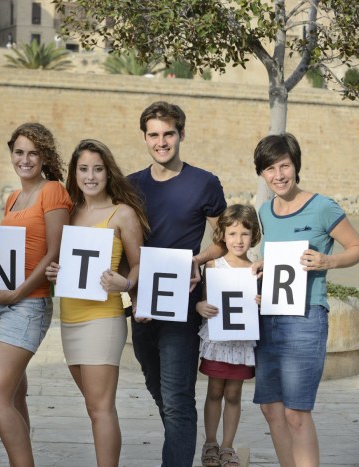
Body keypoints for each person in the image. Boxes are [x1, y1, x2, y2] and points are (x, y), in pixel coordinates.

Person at [252, 133, 359, 467]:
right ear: (262, 173)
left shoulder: (323, 207)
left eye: (284, 165)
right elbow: (280, 262)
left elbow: (357, 247)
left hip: (306, 318)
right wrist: (262, 269)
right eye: (270, 168)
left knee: (296, 413)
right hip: (268, 316)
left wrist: (327, 261)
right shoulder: (265, 211)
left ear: (295, 166)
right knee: (271, 409)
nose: (279, 175)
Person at [126, 101, 227, 466]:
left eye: (168, 133)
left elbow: (225, 238)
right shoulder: (131, 185)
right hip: (140, 306)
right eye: (154, 134)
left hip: (183, 307)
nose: (161, 141)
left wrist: (198, 260)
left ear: (181, 134)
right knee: (160, 392)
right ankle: (182, 446)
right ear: (145, 138)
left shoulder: (204, 183)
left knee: (178, 398)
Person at [45, 139, 149, 467]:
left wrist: (127, 283)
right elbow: (65, 264)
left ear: (108, 172)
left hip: (103, 319)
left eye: (98, 169)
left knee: (101, 407)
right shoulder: (69, 214)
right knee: (93, 407)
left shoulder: (123, 213)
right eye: (84, 169)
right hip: (70, 318)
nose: (91, 176)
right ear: (74, 173)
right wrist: (54, 270)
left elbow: (139, 264)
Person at [0, 122, 72, 466]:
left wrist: (17, 293)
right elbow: (7, 251)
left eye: (33, 152)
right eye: (19, 152)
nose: (25, 159)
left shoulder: (53, 191)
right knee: (15, 394)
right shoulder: (13, 197)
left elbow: (54, 252)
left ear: (44, 156)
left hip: (27, 304)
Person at [195, 204, 261, 467]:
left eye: (244, 234)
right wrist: (200, 307)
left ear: (254, 235)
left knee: (234, 394)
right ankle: (210, 443)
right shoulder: (213, 265)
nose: (238, 240)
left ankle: (227, 446)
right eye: (232, 234)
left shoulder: (255, 270)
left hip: (241, 342)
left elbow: (260, 307)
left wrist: (260, 301)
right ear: (222, 234)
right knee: (214, 391)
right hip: (218, 341)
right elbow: (202, 300)